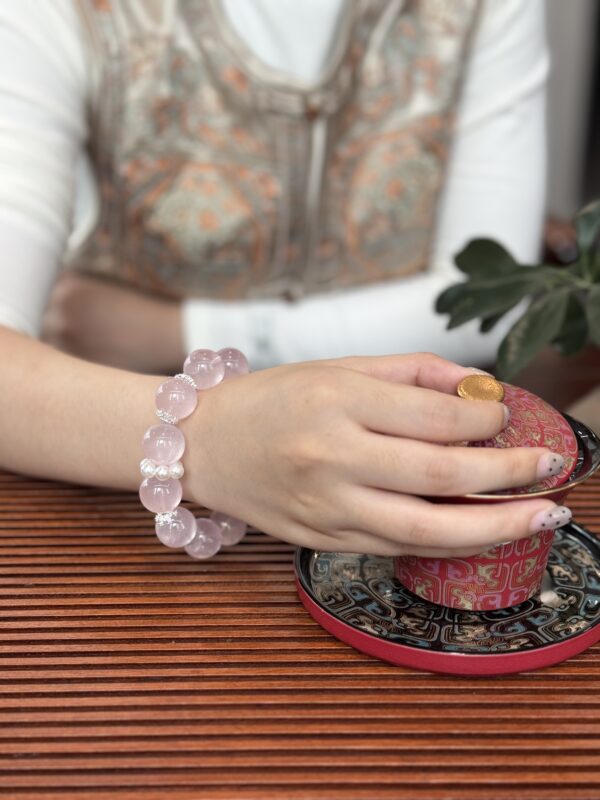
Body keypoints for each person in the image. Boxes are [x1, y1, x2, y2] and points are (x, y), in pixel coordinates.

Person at [0, 0, 570, 558]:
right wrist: (208, 441)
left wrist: (177, 329)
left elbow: (487, 303)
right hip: (104, 496)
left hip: (418, 480)